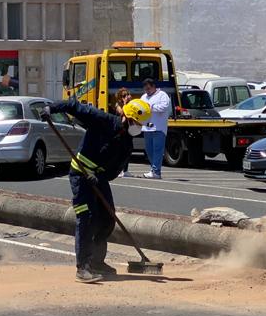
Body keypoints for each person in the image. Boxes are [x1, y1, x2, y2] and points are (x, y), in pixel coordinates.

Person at [42, 96, 151, 283]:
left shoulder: (126, 145)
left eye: (141, 125)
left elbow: (112, 173)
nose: (138, 128)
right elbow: (73, 105)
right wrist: (51, 109)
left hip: (97, 179)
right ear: (127, 117)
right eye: (136, 124)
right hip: (80, 174)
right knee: (86, 218)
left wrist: (98, 177)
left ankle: (97, 262)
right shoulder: (102, 120)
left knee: (108, 218)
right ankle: (83, 267)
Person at [139, 77, 171, 179]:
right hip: (147, 128)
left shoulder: (162, 95)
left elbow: (164, 107)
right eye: (145, 89)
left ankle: (156, 171)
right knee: (149, 150)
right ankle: (154, 169)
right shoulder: (143, 97)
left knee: (157, 150)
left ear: (154, 87)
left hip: (158, 128)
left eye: (148, 89)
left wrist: (150, 107)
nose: (147, 91)